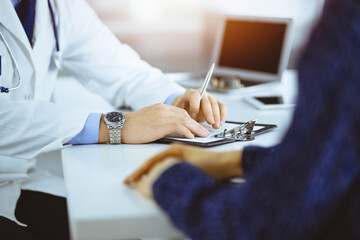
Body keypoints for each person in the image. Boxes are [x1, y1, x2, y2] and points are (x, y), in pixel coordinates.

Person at [125, 0, 360, 239]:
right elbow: (334, 158)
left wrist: (169, 178)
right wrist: (237, 161)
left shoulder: (348, 24)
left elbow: (261, 224)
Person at [0, 0, 226, 239]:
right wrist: (115, 126)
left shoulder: (59, 6)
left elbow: (123, 70)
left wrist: (176, 101)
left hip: (19, 178)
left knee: (118, 232)